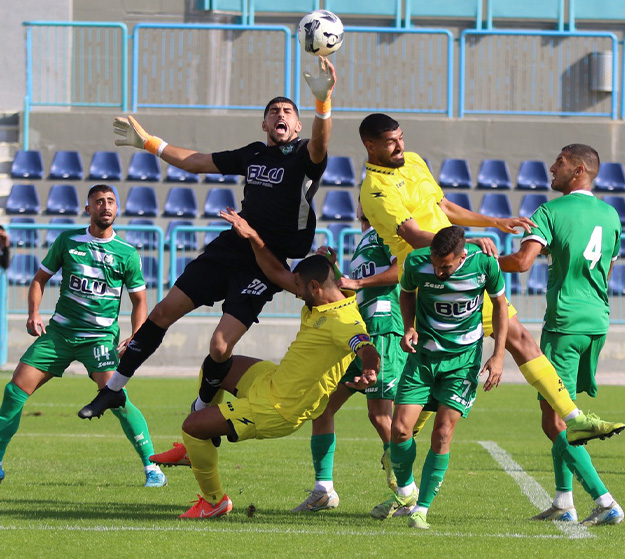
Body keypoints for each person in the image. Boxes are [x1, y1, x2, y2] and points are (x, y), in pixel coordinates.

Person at [78, 58, 338, 420]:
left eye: (288, 111)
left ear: (297, 124)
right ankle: (112, 390)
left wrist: (322, 102)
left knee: (219, 346)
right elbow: (197, 161)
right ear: (264, 124)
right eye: (274, 111)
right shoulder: (253, 153)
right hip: (230, 248)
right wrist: (149, 142)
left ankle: (201, 406)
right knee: (162, 312)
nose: (281, 114)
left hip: (266, 261)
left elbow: (320, 143)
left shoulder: (304, 155)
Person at [357, 113, 624, 446]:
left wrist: (493, 222)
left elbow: (444, 206)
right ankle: (400, 448)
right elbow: (413, 235)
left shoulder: (412, 161)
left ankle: (574, 418)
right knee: (435, 370)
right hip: (430, 278)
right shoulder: (375, 190)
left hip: (461, 266)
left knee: (520, 337)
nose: (400, 146)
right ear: (370, 146)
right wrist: (463, 242)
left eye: (401, 137)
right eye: (390, 142)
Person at [162, 208, 380, 518]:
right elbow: (277, 272)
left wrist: (370, 369)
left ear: (315, 287)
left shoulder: (344, 321)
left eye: (298, 287)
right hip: (272, 380)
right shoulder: (327, 294)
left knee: (191, 427)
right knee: (217, 364)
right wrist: (253, 236)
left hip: (278, 408)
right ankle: (196, 449)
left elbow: (366, 347)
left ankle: (213, 501)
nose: (294, 292)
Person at [0, 185, 166, 487]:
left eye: (111, 201)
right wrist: (33, 313)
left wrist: (136, 335)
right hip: (59, 335)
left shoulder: (127, 253)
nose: (106, 206)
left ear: (117, 208)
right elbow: (39, 280)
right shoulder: (68, 241)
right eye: (99, 201)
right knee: (14, 392)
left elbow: (140, 301)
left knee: (117, 399)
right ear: (88, 209)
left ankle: (152, 467)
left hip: (99, 340)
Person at [500, 144, 624, 526]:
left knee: (555, 420)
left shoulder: (550, 211)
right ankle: (563, 501)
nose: (552, 167)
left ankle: (604, 500)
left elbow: (522, 263)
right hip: (597, 321)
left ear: (580, 170)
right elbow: (607, 270)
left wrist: (476, 261)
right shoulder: (611, 214)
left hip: (564, 324)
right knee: (559, 411)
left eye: (561, 162)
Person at [370, 226, 508, 529]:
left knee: (443, 432)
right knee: (400, 430)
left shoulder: (484, 263)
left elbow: (500, 305)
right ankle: (406, 491)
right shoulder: (417, 262)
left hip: (463, 362)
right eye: (435, 264)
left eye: (445, 267)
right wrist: (409, 327)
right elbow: (407, 293)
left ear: (461, 256)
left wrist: (498, 355)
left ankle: (421, 508)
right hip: (423, 358)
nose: (438, 271)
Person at [292, 201, 407, 512]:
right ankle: (323, 490)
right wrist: (337, 270)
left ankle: (407, 491)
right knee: (322, 407)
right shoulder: (364, 242)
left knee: (380, 415)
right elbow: (357, 289)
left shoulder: (386, 233)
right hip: (358, 335)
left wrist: (357, 281)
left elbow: (401, 270)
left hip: (382, 331)